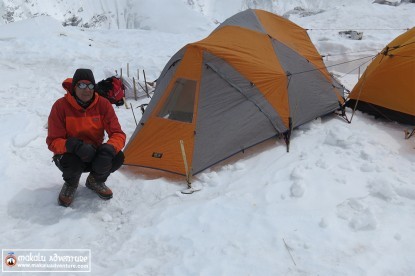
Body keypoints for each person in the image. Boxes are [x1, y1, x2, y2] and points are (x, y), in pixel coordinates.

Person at [46, 68, 126, 207]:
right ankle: (71, 183)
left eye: (90, 85)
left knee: (117, 156)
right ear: (74, 86)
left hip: (94, 154)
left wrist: (109, 148)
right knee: (72, 163)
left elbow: (118, 133)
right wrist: (73, 145)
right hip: (70, 155)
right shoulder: (60, 106)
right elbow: (53, 142)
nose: (86, 90)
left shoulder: (103, 104)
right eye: (82, 85)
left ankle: (95, 180)